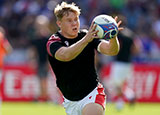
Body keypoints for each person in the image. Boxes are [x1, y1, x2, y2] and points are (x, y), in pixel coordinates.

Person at [46, 2, 123, 115]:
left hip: (92, 93)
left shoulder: (87, 35)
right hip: (70, 101)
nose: (74, 23)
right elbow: (65, 55)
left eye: (76, 19)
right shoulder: (54, 41)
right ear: (59, 23)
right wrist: (86, 39)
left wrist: (112, 36)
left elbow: (111, 50)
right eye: (69, 20)